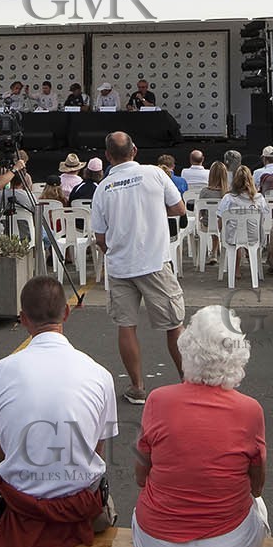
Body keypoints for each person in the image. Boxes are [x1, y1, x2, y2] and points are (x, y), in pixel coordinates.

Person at [0, 277, 117, 547]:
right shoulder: (100, 374)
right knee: (98, 488)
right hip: (78, 500)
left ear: (23, 319)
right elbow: (97, 449)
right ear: (66, 313)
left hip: (21, 502)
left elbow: (1, 449)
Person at [133, 305, 267, 547]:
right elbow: (256, 485)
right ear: (238, 353)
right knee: (259, 506)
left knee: (145, 516)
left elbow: (140, 476)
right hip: (228, 543)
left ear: (187, 349)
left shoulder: (158, 400)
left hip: (159, 541)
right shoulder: (250, 410)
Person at [91, 132, 187, 404]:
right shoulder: (155, 173)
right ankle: (187, 382)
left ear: (108, 156)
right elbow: (179, 208)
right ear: (134, 149)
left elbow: (100, 237)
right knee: (174, 325)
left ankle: (137, 387)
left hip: (121, 266)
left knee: (126, 326)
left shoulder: (103, 188)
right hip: (154, 261)